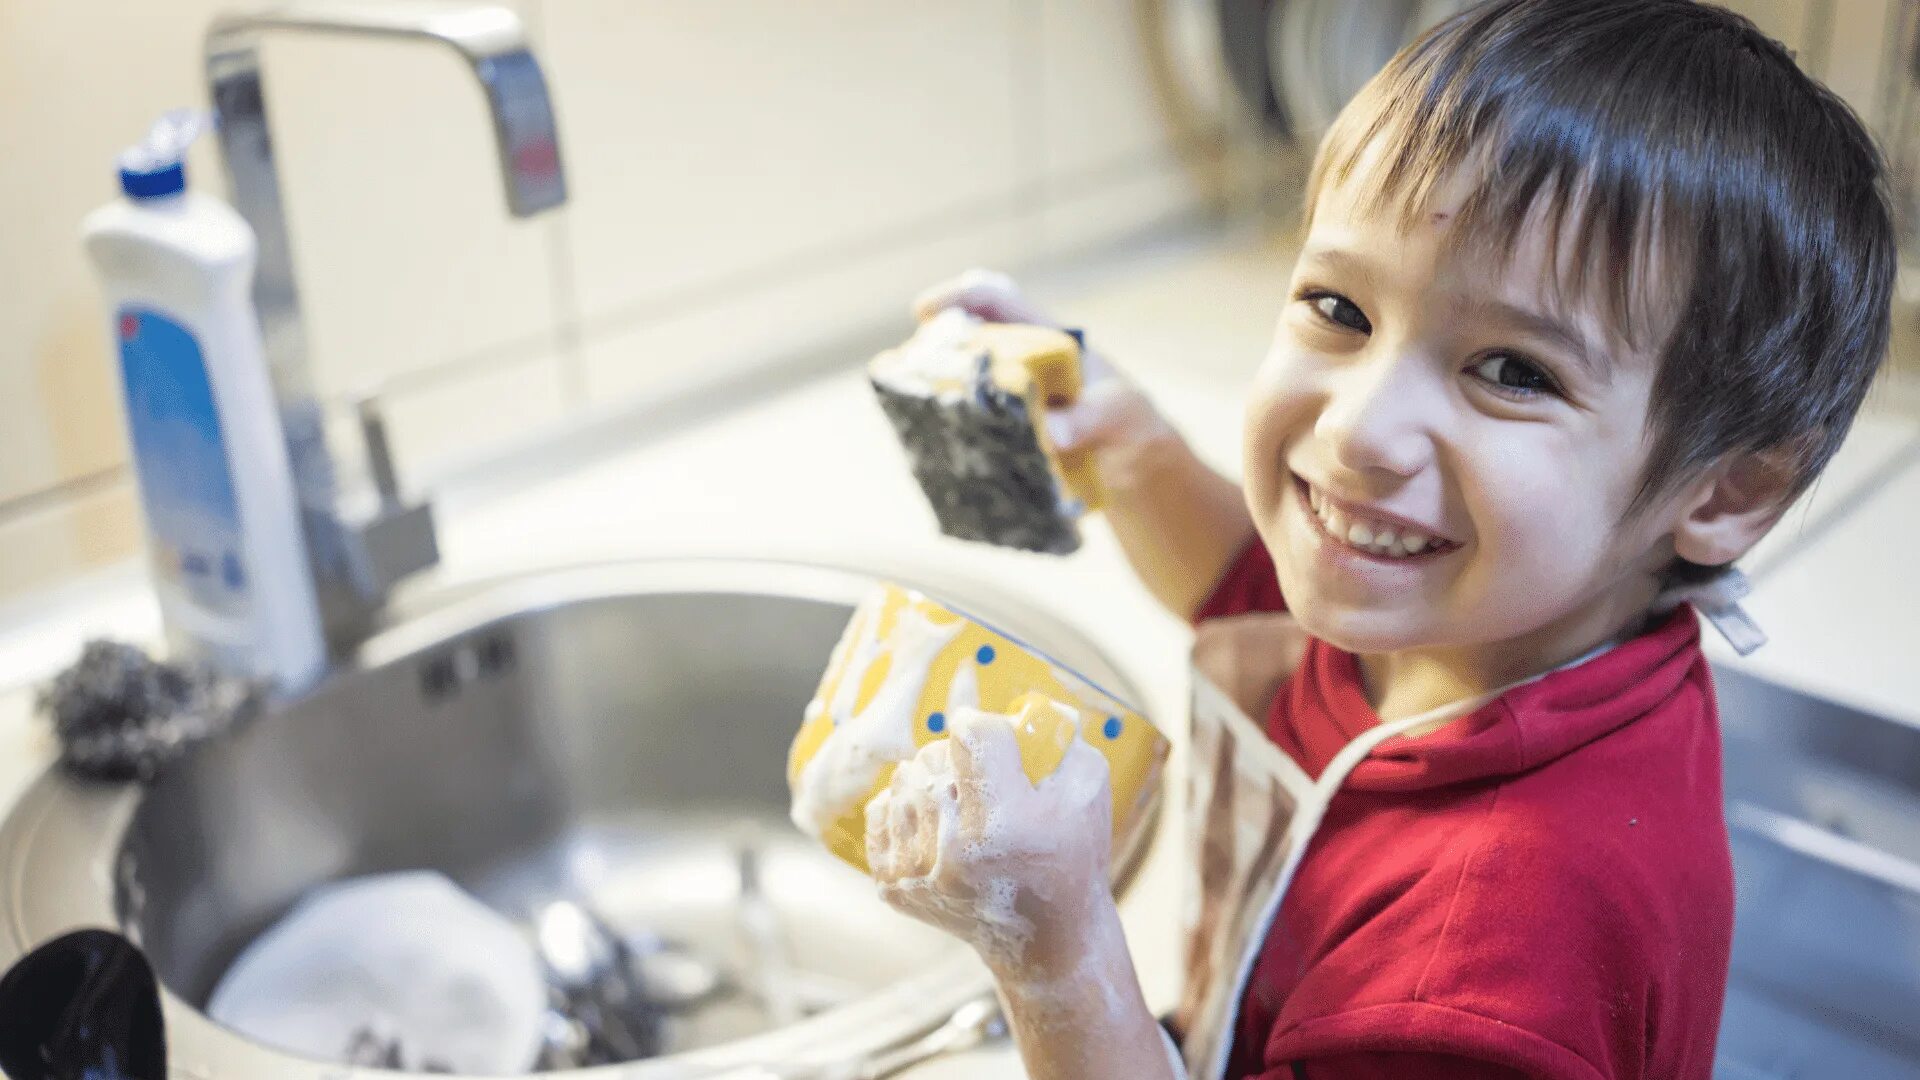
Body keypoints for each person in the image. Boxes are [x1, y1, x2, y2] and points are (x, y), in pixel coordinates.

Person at [861, 1, 1897, 1077]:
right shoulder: (1490, 618)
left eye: (1512, 372)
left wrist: (1059, 955)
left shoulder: (1481, 977)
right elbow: (1253, 592)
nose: (1356, 428)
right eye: (1339, 308)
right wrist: (1130, 449)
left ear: (1727, 490)